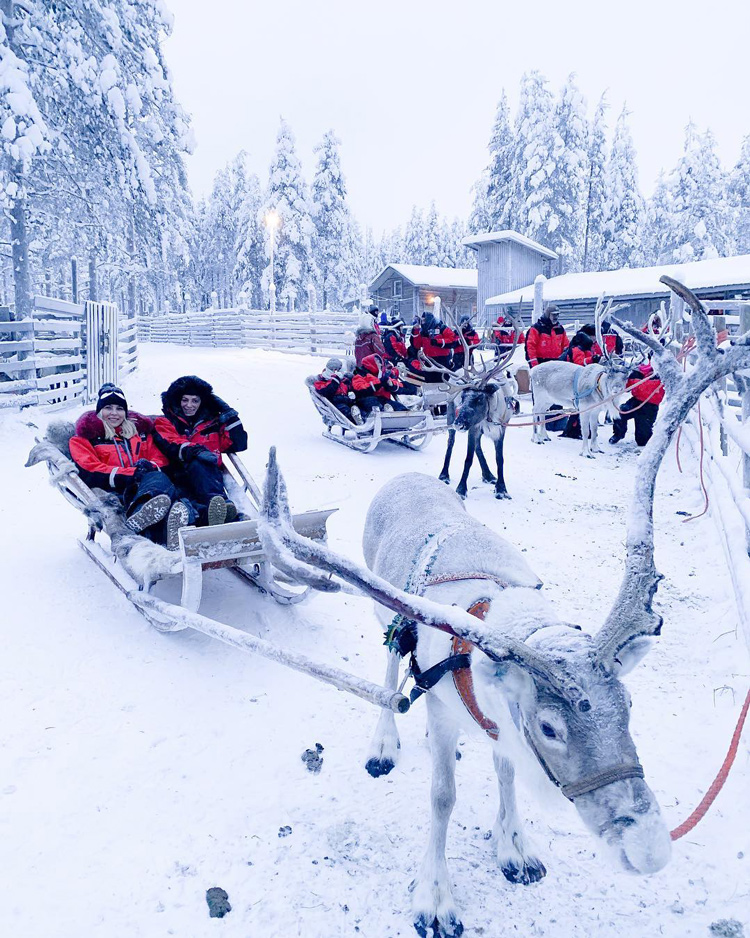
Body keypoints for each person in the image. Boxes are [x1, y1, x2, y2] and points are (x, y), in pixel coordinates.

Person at [69, 383, 193, 549]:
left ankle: (166, 532)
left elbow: (159, 459)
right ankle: (145, 515)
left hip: (144, 487)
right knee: (163, 487)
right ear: (99, 411)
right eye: (108, 408)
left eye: (119, 408)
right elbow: (90, 469)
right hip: (113, 490)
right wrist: (132, 473)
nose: (114, 413)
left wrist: (148, 466)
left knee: (173, 491)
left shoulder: (138, 435)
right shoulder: (85, 439)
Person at [154, 376, 248, 525]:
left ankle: (219, 508)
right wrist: (193, 451)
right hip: (178, 473)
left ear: (202, 402)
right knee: (188, 490)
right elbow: (169, 442)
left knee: (201, 468)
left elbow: (238, 443)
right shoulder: (165, 422)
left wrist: (229, 414)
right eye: (185, 400)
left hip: (209, 476)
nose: (189, 405)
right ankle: (217, 511)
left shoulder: (212, 424)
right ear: (177, 400)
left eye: (195, 400)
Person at [609, 361, 665, 447]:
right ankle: (618, 434)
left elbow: (650, 387)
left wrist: (636, 383)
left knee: (642, 441)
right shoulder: (637, 372)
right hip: (636, 401)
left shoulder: (662, 373)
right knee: (620, 412)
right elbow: (626, 386)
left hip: (650, 406)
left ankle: (647, 435)